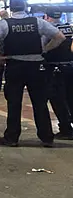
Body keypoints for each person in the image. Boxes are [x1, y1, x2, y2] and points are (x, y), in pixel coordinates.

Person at [0, 0, 65, 147]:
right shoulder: (37, 22)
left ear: (11, 8)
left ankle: (12, 137)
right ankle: (47, 137)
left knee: (14, 103)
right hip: (36, 66)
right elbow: (59, 37)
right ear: (24, 7)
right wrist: (44, 49)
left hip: (15, 65)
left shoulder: (5, 24)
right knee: (40, 102)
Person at [41, 10, 73, 140]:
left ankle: (66, 128)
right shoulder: (68, 27)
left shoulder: (50, 30)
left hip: (54, 68)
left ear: (47, 17)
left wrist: (44, 51)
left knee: (57, 99)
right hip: (70, 67)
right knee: (70, 97)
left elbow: (42, 46)